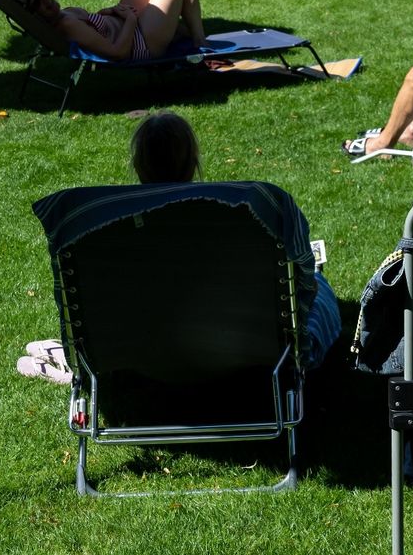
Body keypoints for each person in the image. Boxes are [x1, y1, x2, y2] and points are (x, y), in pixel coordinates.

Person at [128, 111, 343, 368]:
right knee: (319, 283)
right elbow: (305, 282)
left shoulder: (107, 226)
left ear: (138, 166)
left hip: (152, 349)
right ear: (193, 161)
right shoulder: (259, 208)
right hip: (253, 351)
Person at [15, 0, 205, 62]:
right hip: (141, 42)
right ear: (34, 16)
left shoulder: (65, 15)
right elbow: (118, 53)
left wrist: (109, 13)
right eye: (36, 4)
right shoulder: (67, 26)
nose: (44, 0)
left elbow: (93, 30)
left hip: (127, 24)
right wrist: (130, 18)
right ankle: (200, 43)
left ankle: (178, 31)